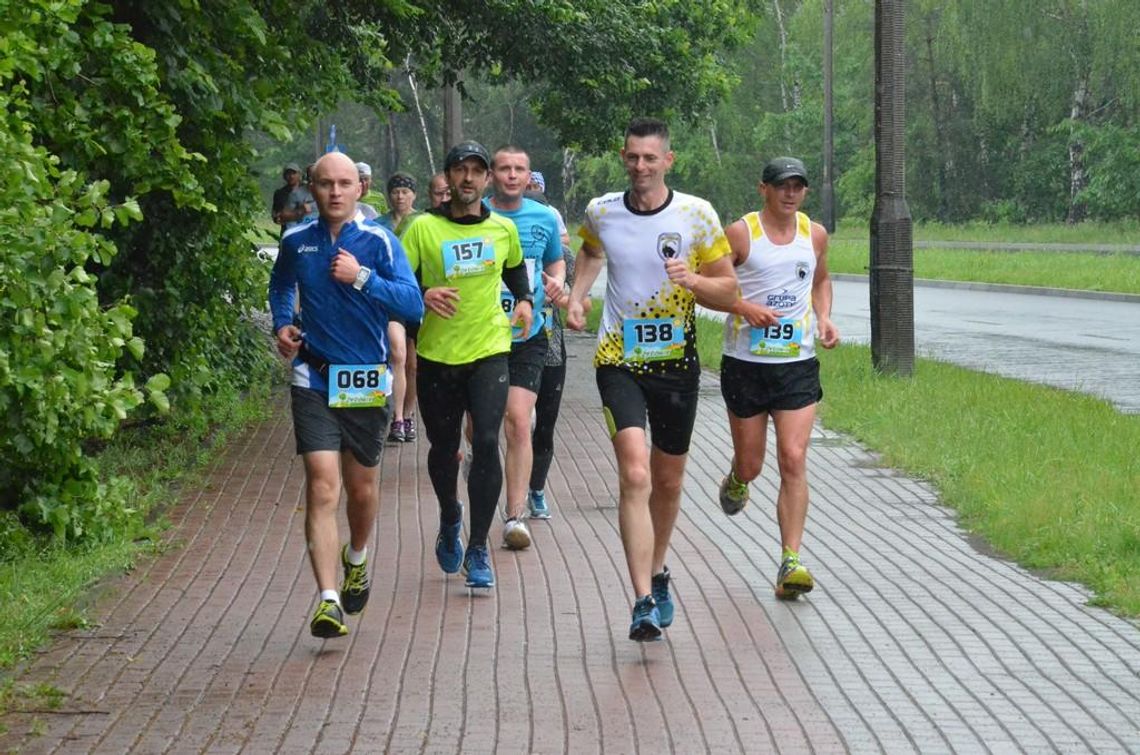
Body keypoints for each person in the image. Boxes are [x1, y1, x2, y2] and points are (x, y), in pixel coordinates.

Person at [566, 117, 737, 642]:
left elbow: (729, 291)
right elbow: (593, 251)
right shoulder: (602, 211)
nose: (640, 167)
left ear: (669, 161)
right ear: (623, 157)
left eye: (650, 158)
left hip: (677, 366)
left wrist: (695, 280)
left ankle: (659, 569)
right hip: (619, 358)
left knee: (667, 481)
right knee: (635, 474)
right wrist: (577, 295)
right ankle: (641, 597)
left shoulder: (697, 215)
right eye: (632, 157)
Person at [268, 151, 424, 638]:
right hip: (313, 376)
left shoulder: (379, 241)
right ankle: (329, 600)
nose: (334, 192)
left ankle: (356, 556)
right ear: (312, 189)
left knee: (361, 490)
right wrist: (281, 326)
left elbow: (412, 303)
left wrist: (360, 275)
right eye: (325, 184)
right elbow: (279, 287)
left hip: (366, 380)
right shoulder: (296, 240)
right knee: (321, 484)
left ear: (360, 189)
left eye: (343, 184)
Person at [401, 141, 533, 590]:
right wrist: (422, 295)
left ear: (487, 179)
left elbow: (515, 270)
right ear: (449, 177)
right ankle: (449, 514)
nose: (469, 178)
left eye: (478, 171)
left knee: (489, 439)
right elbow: (398, 283)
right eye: (461, 170)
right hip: (438, 357)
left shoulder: (502, 229)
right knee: (442, 449)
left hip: (490, 349)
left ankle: (478, 546)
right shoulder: (422, 229)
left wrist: (526, 302)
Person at [717, 156, 840, 600]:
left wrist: (824, 317)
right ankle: (736, 476)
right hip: (746, 364)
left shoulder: (815, 234)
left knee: (793, 456)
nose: (791, 193)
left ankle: (791, 559)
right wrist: (743, 308)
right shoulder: (740, 233)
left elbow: (821, 281)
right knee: (752, 464)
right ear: (763, 189)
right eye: (782, 185)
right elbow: (712, 287)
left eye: (798, 186)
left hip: (797, 363)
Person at [486, 146, 565, 550]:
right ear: (491, 175)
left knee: (519, 420)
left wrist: (557, 283)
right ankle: (482, 471)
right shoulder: (476, 216)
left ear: (529, 175)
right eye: (504, 169)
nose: (512, 176)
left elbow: (555, 263)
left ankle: (514, 515)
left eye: (519, 169)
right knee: (480, 430)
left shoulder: (545, 218)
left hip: (528, 335)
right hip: (479, 337)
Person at [380, 172, 423, 443]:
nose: (400, 196)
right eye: (395, 191)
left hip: (418, 297)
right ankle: (396, 419)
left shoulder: (422, 222)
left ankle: (407, 415)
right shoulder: (378, 224)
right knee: (397, 353)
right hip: (390, 297)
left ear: (414, 195)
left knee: (413, 363)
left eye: (405, 192)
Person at [526, 170, 571, 247]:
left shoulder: (551, 211)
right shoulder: (516, 210)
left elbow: (566, 239)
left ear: (541, 189)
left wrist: (545, 241)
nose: (532, 190)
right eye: (528, 187)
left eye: (535, 187)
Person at [271, 162, 307, 237]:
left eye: (293, 173)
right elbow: (275, 213)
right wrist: (277, 218)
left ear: (299, 174)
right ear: (284, 176)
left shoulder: (308, 190)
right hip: (287, 231)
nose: (291, 176)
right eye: (288, 174)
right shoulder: (280, 193)